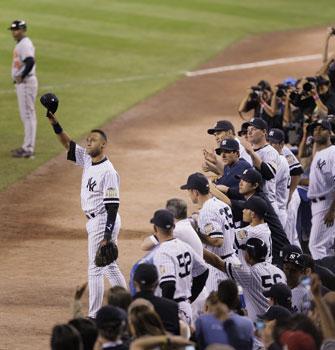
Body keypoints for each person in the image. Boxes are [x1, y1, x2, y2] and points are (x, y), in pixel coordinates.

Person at [46, 112, 127, 318]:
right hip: (96, 220)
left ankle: (93, 315)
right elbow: (68, 145)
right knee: (108, 265)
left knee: (95, 268)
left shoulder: (108, 171)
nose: (89, 142)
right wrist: (55, 123)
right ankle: (126, 301)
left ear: (104, 145)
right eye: (88, 140)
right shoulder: (89, 160)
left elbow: (113, 207)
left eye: (94, 140)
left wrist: (106, 237)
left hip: (103, 219)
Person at [210, 168, 290, 264]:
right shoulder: (251, 193)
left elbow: (229, 202)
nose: (241, 183)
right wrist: (222, 187)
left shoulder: (256, 202)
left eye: (246, 181)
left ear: (255, 185)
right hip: (267, 247)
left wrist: (210, 187)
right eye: (241, 179)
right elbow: (231, 190)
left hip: (278, 251)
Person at [180, 172, 239, 292]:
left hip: (218, 268)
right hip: (232, 261)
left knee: (217, 307)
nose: (189, 194)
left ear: (195, 192)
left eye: (189, 191)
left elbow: (217, 241)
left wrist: (196, 233)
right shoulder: (221, 204)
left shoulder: (207, 211)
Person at [204, 237, 287, 321]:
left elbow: (216, 262)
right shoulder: (280, 272)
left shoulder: (249, 273)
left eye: (246, 251)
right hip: (283, 317)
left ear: (249, 256)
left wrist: (197, 247)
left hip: (263, 323)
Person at [150, 209, 209, 325]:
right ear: (173, 227)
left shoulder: (162, 252)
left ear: (155, 229)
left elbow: (168, 285)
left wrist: (166, 310)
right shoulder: (185, 246)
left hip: (173, 309)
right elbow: (203, 271)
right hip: (185, 306)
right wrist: (192, 296)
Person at [239, 118, 281, 213]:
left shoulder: (270, 152)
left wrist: (252, 153)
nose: (249, 132)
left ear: (264, 132)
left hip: (267, 204)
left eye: (253, 129)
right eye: (248, 130)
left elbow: (269, 174)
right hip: (251, 204)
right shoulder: (245, 152)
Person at [9, 20, 38, 159]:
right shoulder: (21, 44)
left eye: (17, 30)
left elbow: (30, 61)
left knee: (28, 116)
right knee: (26, 116)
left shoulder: (25, 44)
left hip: (26, 83)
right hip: (24, 83)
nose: (14, 32)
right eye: (13, 30)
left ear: (23, 30)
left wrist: (21, 75)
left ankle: (28, 148)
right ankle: (26, 146)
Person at [307, 119, 335, 260]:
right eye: (315, 129)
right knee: (328, 247)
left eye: (321, 128)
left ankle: (322, 281)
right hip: (318, 204)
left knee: (316, 246)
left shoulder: (333, 153)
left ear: (330, 133)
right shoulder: (319, 153)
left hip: (327, 205)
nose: (317, 131)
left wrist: (332, 210)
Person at [132, 263, 180, 335]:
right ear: (157, 284)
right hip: (165, 344)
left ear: (134, 283)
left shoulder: (126, 304)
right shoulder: (172, 307)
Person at [235, 196, 272, 264]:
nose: (243, 211)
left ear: (253, 214)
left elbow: (230, 238)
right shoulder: (259, 227)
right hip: (263, 268)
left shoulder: (255, 232)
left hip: (259, 272)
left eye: (246, 209)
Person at [267, 128, 291, 228]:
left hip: (278, 212)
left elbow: (269, 183)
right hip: (275, 210)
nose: (270, 145)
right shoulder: (274, 159)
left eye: (274, 143)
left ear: (281, 144)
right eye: (269, 142)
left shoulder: (280, 160)